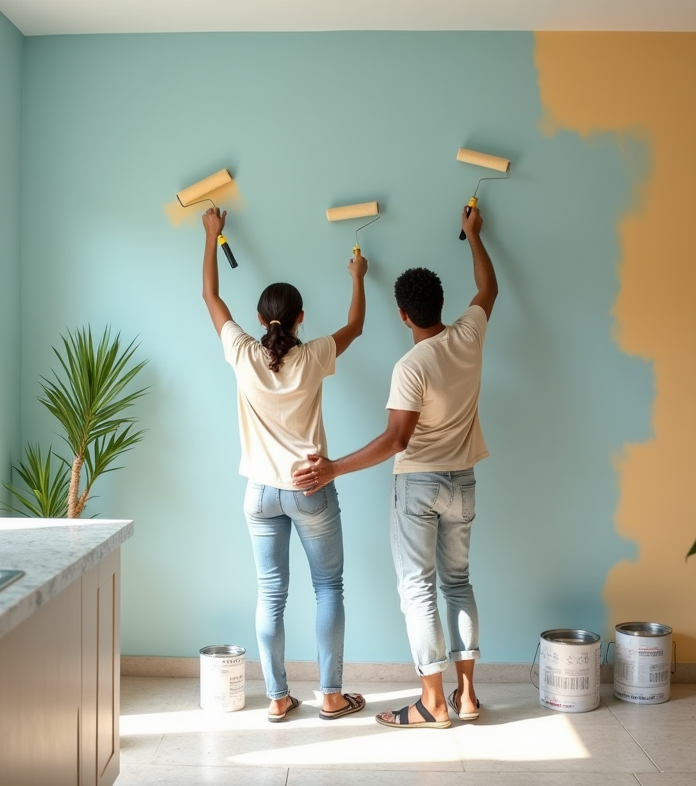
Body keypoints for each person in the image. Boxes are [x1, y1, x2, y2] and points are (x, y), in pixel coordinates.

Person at [292, 203, 497, 729]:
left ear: (403, 315)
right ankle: (467, 696)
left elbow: (395, 439)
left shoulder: (412, 366)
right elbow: (488, 289)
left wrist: (333, 468)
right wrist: (473, 235)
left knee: (418, 590)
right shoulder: (469, 336)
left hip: (420, 486)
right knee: (459, 583)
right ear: (441, 305)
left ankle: (431, 703)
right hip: (464, 481)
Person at [200, 206, 368, 723]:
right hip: (310, 488)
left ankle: (277, 698)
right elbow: (357, 326)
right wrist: (358, 277)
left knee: (270, 593)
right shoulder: (314, 354)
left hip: (260, 494)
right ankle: (332, 696)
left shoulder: (244, 352)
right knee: (328, 588)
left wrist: (211, 236)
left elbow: (211, 296)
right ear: (300, 318)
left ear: (259, 319)